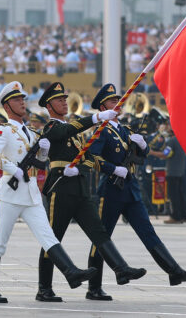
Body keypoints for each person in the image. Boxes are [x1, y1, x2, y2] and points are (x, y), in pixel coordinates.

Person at [0, 81, 96, 304]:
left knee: (48, 236)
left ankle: (71, 272)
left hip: (31, 193)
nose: (22, 102)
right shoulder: (4, 129)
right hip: (9, 194)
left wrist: (43, 151)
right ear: (7, 106)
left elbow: (41, 163)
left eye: (23, 98)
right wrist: (14, 169)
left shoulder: (32, 132)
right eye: (16, 99)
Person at [35, 82, 146, 303]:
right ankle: (44, 288)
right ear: (49, 106)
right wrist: (96, 118)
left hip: (79, 187)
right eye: (59, 100)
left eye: (65, 99)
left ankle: (121, 268)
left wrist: (79, 167)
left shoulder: (76, 134)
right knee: (53, 239)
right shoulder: (50, 128)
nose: (64, 103)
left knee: (99, 232)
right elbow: (66, 130)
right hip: (60, 187)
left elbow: (88, 158)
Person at [85, 84, 186, 300]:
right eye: (112, 102)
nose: (117, 105)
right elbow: (91, 158)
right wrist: (112, 168)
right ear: (102, 106)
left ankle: (174, 271)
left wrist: (143, 145)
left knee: (148, 232)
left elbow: (141, 154)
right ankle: (94, 287)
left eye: (118, 101)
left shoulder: (125, 130)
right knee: (102, 237)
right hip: (111, 189)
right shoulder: (101, 130)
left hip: (130, 189)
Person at [162, 127, 186, 224]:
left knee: (174, 196)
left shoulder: (172, 141)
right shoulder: (182, 140)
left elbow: (165, 154)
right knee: (181, 195)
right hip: (180, 172)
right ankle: (183, 216)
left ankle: (175, 217)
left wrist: (151, 152)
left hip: (172, 172)